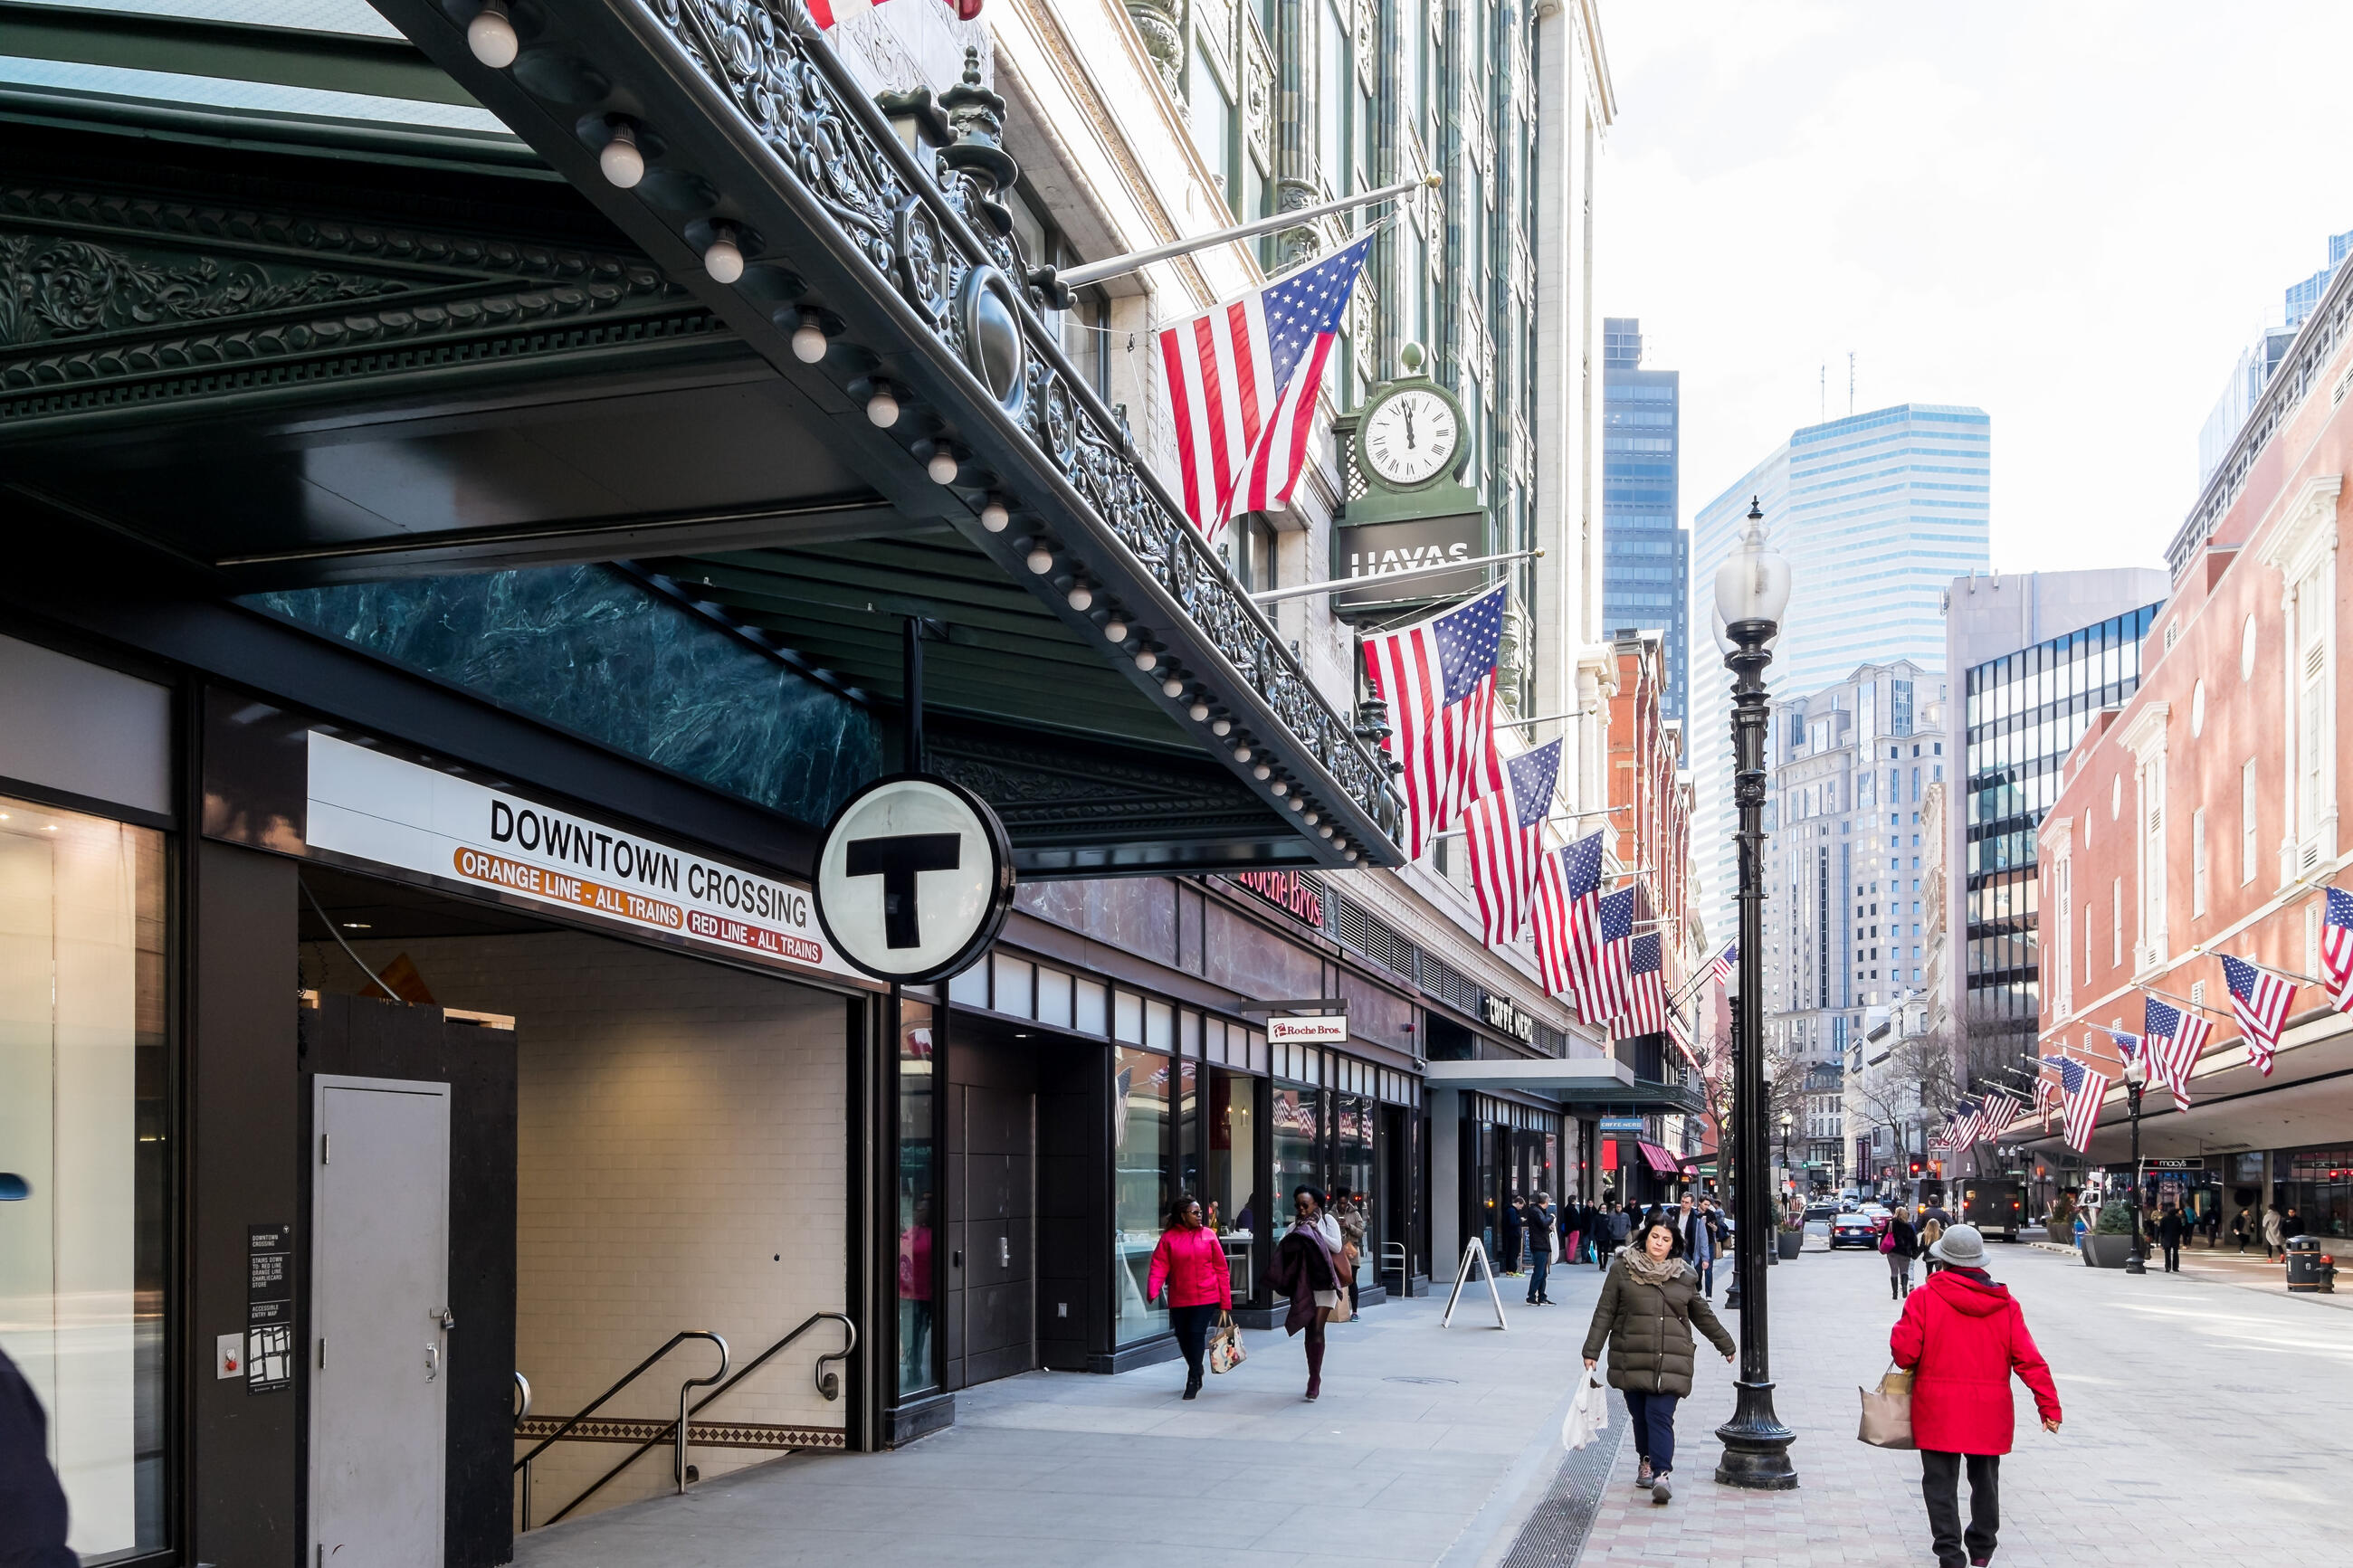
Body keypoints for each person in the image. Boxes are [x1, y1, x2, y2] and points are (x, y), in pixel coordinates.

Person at [1891, 1223, 2063, 1568]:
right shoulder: (2006, 1304)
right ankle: (1982, 1549)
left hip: (1937, 1408)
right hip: (1989, 1409)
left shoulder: (1923, 1298)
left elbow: (1905, 1354)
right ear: (1979, 1263)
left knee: (1939, 1483)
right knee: (1985, 1479)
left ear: (1943, 1261)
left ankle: (1950, 1554)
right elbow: (2028, 1359)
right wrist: (2049, 1406)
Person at [1582, 1215, 1736, 1506]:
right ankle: (1646, 1459)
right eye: (1655, 1237)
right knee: (1640, 1417)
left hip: (1671, 1359)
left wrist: (1725, 1343)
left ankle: (1661, 1474)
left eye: (1666, 1240)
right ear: (1645, 1237)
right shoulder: (1621, 1271)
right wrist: (1592, 1351)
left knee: (1659, 1415)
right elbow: (1605, 1312)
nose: (1659, 1244)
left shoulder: (1685, 1275)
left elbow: (1702, 1314)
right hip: (1632, 1356)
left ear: (1673, 1245)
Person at [1147, 1193, 1234, 1400]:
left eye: (1200, 1212)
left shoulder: (1209, 1235)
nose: (1199, 1216)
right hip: (1180, 1297)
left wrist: (1225, 1302)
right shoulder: (1169, 1238)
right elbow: (1159, 1265)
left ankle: (1193, 1377)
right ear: (1183, 1215)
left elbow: (1222, 1269)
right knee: (1182, 1336)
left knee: (1195, 1334)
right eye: (1195, 1212)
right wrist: (1153, 1288)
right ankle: (1196, 1367)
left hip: (1206, 1296)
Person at [1266, 1185, 1347, 1401]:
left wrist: (1314, 1231)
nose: (1301, 1210)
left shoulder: (1327, 1221)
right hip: (1303, 1283)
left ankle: (1314, 1378)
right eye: (1297, 1205)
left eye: (1305, 1205)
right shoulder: (1294, 1226)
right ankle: (1314, 1374)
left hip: (1325, 1284)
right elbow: (1283, 1248)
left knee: (1317, 1328)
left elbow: (1337, 1247)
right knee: (1309, 1328)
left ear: (1316, 1205)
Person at [1677, 1193, 1719, 1297]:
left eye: (1708, 1205)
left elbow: (1711, 1231)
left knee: (1705, 1270)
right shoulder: (1679, 1213)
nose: (1684, 1204)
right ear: (1699, 1203)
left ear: (1692, 1203)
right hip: (1683, 1245)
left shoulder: (1704, 1216)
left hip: (1705, 1243)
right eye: (1705, 1204)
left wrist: (1713, 1227)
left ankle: (1707, 1294)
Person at [1524, 1193, 1558, 1305]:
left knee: (1543, 1273)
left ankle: (1542, 1296)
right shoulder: (1536, 1211)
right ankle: (1531, 1296)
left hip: (1542, 1244)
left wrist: (1549, 1227)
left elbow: (1541, 1226)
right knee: (1539, 1272)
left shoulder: (1538, 1211)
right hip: (1539, 1245)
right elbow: (1543, 1223)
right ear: (1546, 1202)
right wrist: (1551, 1218)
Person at [1886, 1210, 1920, 1298]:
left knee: (1894, 1272)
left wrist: (1882, 1248)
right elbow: (1914, 1241)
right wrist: (1915, 1253)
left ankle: (1895, 1294)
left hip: (1892, 1251)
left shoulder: (1890, 1224)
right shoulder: (1909, 1226)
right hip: (1905, 1252)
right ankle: (1904, 1288)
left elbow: (1884, 1237)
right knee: (1904, 1271)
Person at [2156, 1203, 2187, 1273]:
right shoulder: (2178, 1219)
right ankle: (2175, 1267)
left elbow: (2161, 1230)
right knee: (2175, 1253)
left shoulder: (2164, 1219)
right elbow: (2180, 1229)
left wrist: (2161, 1241)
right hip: (2175, 1238)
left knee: (2167, 1253)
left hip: (2166, 1238)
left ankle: (2168, 1267)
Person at [1500, 1191, 1526, 1275]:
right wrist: (1520, 1220)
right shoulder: (1512, 1211)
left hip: (1511, 1234)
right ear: (1518, 1203)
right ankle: (1512, 1270)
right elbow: (1512, 1223)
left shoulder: (1510, 1210)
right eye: (1521, 1206)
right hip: (1513, 1235)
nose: (1521, 1208)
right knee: (1513, 1253)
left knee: (1512, 1252)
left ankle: (1510, 1270)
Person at [1918, 1214, 1946, 1279]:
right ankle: (1938, 1284)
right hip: (1938, 1257)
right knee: (1938, 1273)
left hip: (1928, 1258)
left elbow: (1922, 1247)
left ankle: (1929, 1285)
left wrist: (1915, 1255)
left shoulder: (1925, 1234)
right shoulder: (1942, 1233)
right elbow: (1944, 1245)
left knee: (1929, 1273)